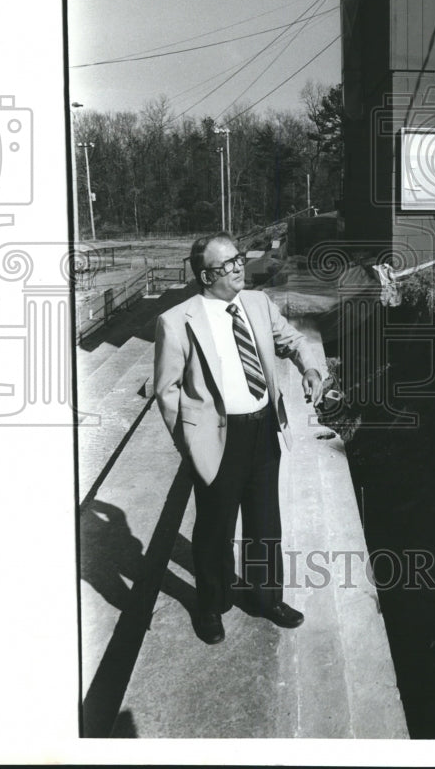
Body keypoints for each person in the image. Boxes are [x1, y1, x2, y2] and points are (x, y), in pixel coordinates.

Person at [154, 232, 323, 644]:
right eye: (229, 265)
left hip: (263, 427)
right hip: (217, 436)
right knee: (215, 529)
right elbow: (166, 390)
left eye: (238, 260)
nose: (238, 269)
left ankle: (267, 598)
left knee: (266, 524)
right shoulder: (177, 321)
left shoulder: (258, 303)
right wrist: (190, 443)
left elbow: (294, 339)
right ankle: (211, 605)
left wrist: (311, 369)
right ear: (208, 275)